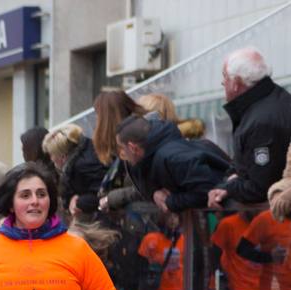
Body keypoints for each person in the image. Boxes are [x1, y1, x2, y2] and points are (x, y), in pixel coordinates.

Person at [209, 47, 291, 209]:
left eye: (225, 77)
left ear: (236, 83)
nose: (223, 83)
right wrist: (229, 182)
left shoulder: (260, 121)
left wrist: (231, 185)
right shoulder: (277, 99)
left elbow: (260, 188)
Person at [115, 115, 230, 213]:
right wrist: (154, 194)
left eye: (122, 149)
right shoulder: (153, 156)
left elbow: (207, 191)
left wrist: (170, 201)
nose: (122, 154)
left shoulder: (172, 158)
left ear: (132, 148)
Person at [136, 212, 186, 290]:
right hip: (158, 288)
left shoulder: (183, 240)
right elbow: (141, 265)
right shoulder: (151, 239)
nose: (173, 220)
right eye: (170, 217)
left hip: (177, 287)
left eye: (175, 217)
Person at [43, 123, 107, 218]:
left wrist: (78, 201)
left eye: (52, 154)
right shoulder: (89, 149)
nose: (51, 159)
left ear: (62, 156)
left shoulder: (80, 167)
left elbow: (100, 193)